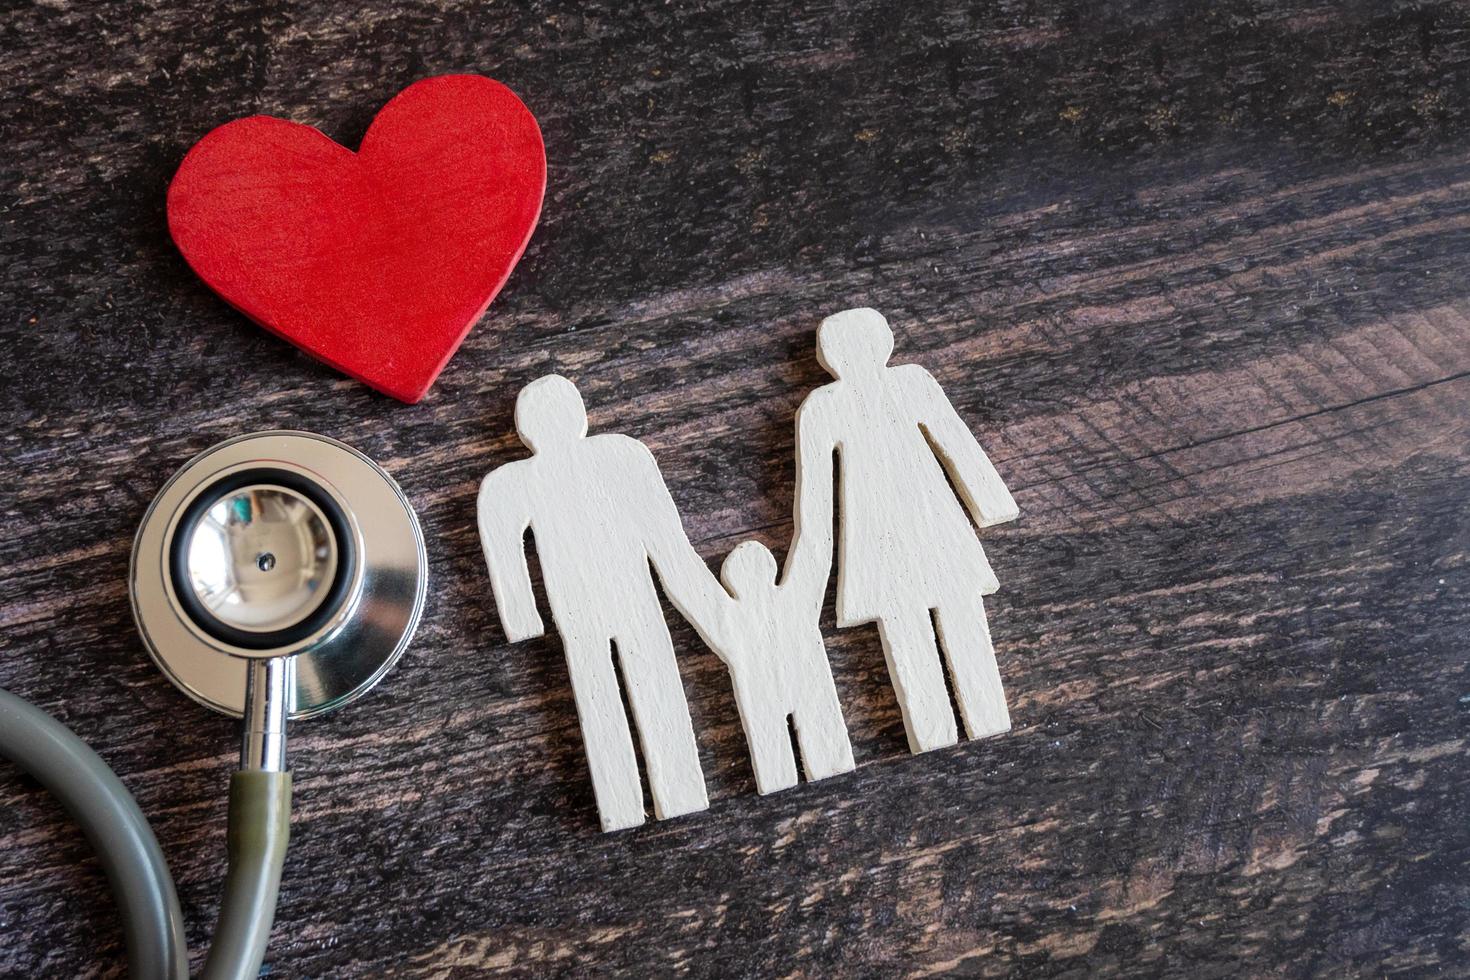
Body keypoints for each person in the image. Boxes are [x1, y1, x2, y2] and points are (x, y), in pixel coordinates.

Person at [478, 375, 713, 831]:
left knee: (641, 688)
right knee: (608, 695)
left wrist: (683, 582)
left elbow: (662, 530)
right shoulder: (520, 481)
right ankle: (628, 799)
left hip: (621, 597)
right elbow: (504, 553)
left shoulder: (618, 455)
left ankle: (671, 791)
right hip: (588, 607)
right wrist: (522, 617)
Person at [785, 308, 1019, 753]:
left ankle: (961, 719)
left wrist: (811, 569)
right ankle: (947, 723)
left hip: (913, 531)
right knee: (923, 623)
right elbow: (958, 446)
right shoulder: (833, 405)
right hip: (904, 533)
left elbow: (816, 509)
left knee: (927, 621)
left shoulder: (888, 389)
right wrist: (990, 501)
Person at [696, 540, 854, 794]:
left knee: (776, 768)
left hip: (764, 701)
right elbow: (816, 549)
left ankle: (791, 774)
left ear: (732, 583)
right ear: (772, 567)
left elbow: (694, 589)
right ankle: (824, 763)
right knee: (827, 753)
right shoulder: (798, 596)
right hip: (808, 690)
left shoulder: (728, 618)